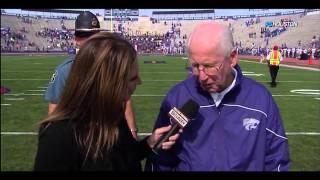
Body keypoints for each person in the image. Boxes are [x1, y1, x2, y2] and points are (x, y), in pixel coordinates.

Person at [145, 22, 290, 171]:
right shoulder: (177, 97)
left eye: (209, 66)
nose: (202, 76)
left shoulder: (261, 100)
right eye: (195, 66)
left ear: (232, 58)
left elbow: (276, 159)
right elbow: (159, 159)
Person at [34, 32, 180, 171]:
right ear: (109, 83)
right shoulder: (57, 135)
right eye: (132, 78)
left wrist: (150, 143)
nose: (139, 82)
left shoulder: (114, 115)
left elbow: (127, 156)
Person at [44, 11, 139, 140]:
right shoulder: (65, 71)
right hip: (79, 138)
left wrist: (132, 130)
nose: (91, 40)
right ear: (76, 39)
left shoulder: (110, 66)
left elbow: (124, 99)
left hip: (108, 135)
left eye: (95, 35)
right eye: (84, 35)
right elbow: (54, 110)